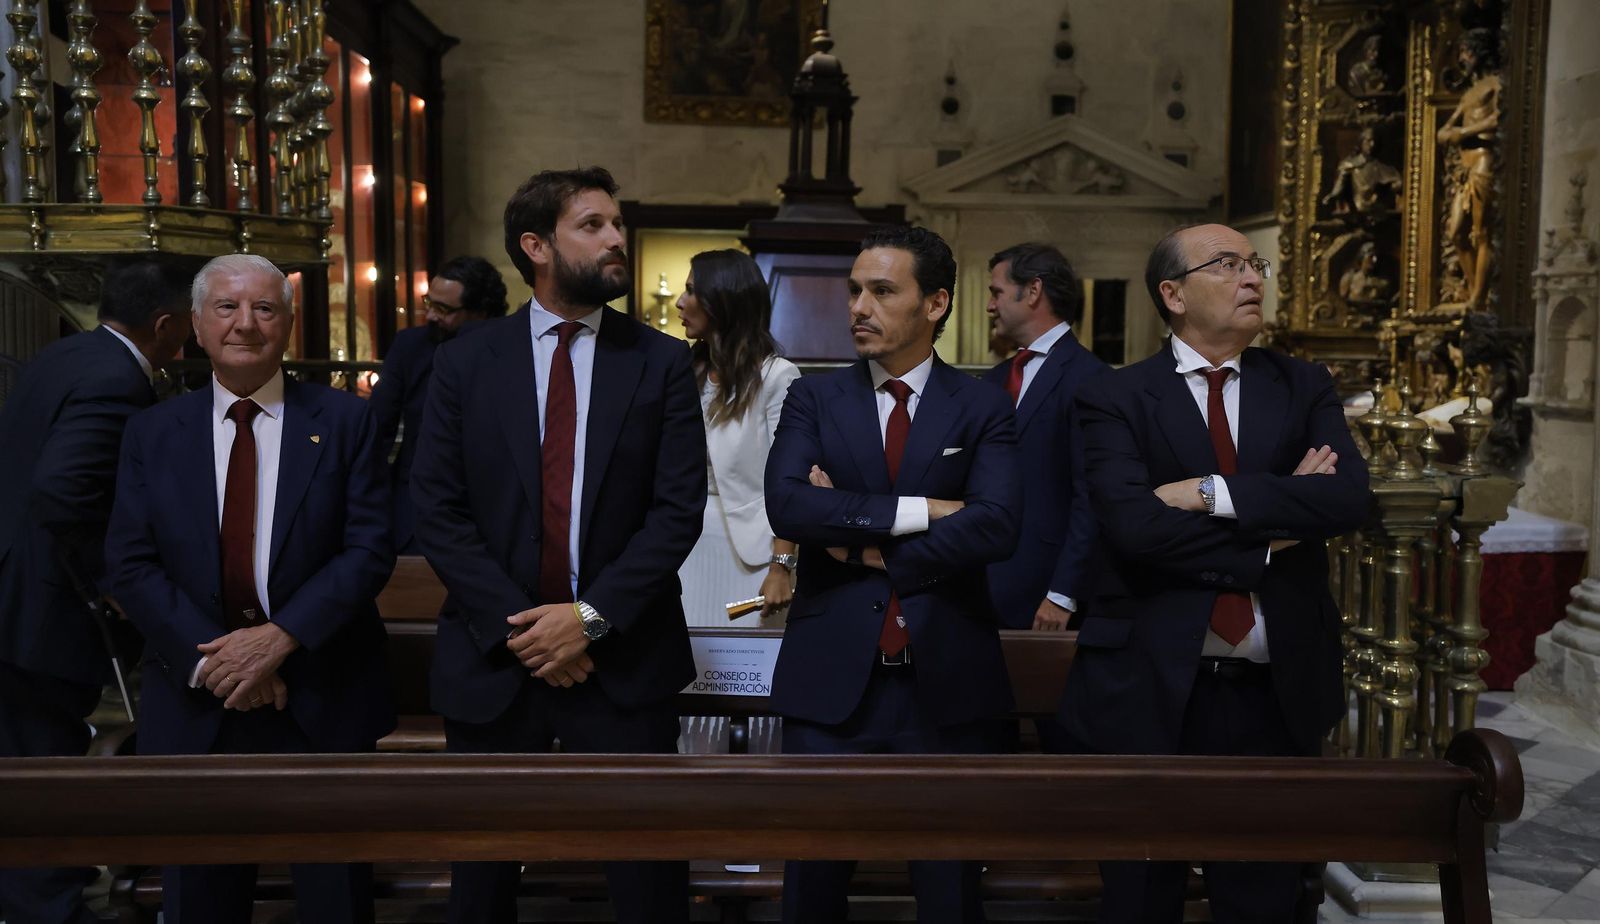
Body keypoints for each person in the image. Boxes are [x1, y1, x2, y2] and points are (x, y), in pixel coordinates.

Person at [410, 167, 705, 924]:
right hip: (493, 660)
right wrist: (529, 630)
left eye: (617, 224)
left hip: (624, 659)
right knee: (481, 885)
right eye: (594, 225)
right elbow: (437, 511)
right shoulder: (466, 363)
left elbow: (675, 515)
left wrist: (589, 620)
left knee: (646, 886)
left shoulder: (661, 363)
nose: (617, 240)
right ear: (536, 246)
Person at [1057, 224, 1371, 922]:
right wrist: (1274, 530)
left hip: (1276, 686)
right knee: (1142, 896)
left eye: (1254, 263)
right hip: (1152, 683)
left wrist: (1208, 493)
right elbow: (1132, 528)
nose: (1253, 277)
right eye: (1227, 265)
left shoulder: (1302, 385)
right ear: (1173, 293)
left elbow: (1348, 498)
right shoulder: (1116, 397)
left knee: (1262, 900)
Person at [105, 253, 396, 924]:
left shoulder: (346, 423)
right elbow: (130, 562)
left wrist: (280, 638)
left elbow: (369, 549)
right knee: (200, 900)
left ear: (289, 325)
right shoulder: (152, 432)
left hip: (321, 692)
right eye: (226, 308)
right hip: (198, 697)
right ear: (196, 328)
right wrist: (219, 659)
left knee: (336, 901)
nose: (245, 324)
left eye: (264, 308)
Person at [763, 226, 1021, 923]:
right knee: (812, 888)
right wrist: (931, 512)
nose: (858, 307)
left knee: (949, 893)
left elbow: (998, 525)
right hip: (830, 684)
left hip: (948, 681)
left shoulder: (983, 406)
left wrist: (855, 541)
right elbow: (788, 504)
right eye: (854, 291)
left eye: (882, 291)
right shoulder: (814, 399)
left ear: (935, 303)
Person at [0, 258, 192, 924]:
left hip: (14, 590)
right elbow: (62, 492)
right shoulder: (117, 381)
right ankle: (45, 908)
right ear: (166, 323)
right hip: (43, 605)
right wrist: (114, 580)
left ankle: (36, 892)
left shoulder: (65, 355)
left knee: (23, 756)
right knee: (42, 762)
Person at [981, 242, 1106, 634]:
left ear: (1033, 291)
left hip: (1045, 600)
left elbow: (1093, 498)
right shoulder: (994, 380)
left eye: (997, 292)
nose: (989, 305)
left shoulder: (1092, 380)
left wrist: (1063, 593)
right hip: (981, 590)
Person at [674, 248, 801, 627]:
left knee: (743, 672)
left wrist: (781, 565)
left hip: (753, 551)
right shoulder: (681, 370)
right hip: (682, 543)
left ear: (723, 301)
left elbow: (790, 479)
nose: (681, 302)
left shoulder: (777, 376)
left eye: (692, 291)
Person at [369, 255, 508, 553]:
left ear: (480, 313)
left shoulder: (506, 351)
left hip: (491, 508)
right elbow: (378, 426)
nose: (430, 315)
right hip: (413, 509)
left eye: (443, 309)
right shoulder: (410, 346)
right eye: (429, 302)